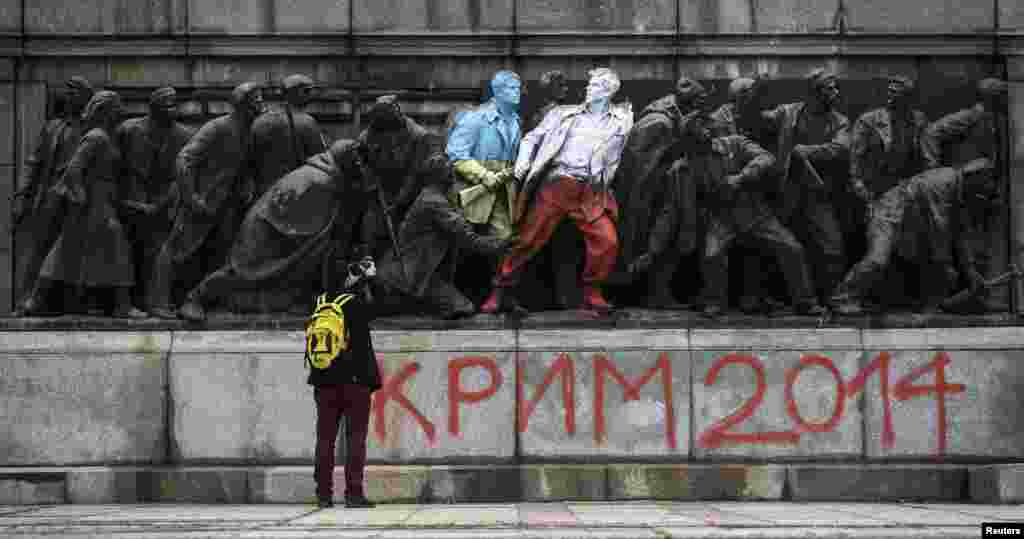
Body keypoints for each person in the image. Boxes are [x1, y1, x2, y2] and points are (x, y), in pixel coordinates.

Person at [481, 67, 633, 314]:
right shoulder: (563, 114)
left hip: (591, 191)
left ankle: (592, 293)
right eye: (589, 84)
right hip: (558, 185)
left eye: (594, 85)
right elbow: (532, 138)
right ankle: (500, 291)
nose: (587, 88)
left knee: (607, 240)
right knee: (528, 239)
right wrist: (523, 164)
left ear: (608, 91)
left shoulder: (622, 120)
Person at [177, 139, 371, 322]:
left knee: (305, 259)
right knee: (242, 271)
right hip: (268, 231)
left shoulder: (326, 174)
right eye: (357, 162)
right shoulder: (323, 181)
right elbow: (319, 229)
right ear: (345, 160)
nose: (360, 167)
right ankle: (196, 297)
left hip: (283, 230)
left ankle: (301, 298)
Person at [685, 112, 825, 318]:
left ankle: (806, 302)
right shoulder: (690, 163)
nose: (704, 130)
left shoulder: (734, 143)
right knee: (712, 254)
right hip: (722, 218)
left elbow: (766, 158)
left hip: (755, 213)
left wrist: (741, 177)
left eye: (704, 125)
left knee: (791, 247)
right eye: (696, 128)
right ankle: (715, 302)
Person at [21, 91, 146, 318]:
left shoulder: (106, 136)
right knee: (116, 248)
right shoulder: (97, 137)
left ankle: (36, 300)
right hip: (94, 204)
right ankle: (122, 305)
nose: (121, 111)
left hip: (102, 202)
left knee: (67, 251)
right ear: (106, 110)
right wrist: (81, 199)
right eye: (117, 107)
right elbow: (73, 170)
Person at [147, 82, 265, 318]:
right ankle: (157, 302)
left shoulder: (250, 130)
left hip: (226, 205)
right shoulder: (217, 127)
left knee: (222, 255)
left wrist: (245, 189)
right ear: (243, 104)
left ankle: (205, 302)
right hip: (201, 202)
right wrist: (192, 197)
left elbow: (243, 167)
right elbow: (184, 159)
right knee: (176, 250)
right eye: (257, 99)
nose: (262, 104)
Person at [831, 158, 998, 314]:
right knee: (877, 259)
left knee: (931, 265)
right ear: (974, 177)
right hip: (889, 214)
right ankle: (842, 297)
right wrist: (946, 266)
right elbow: (938, 227)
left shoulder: (959, 192)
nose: (984, 189)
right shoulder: (944, 180)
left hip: (910, 227)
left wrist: (971, 272)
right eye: (984, 182)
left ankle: (928, 305)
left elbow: (960, 235)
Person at [375, 155, 512, 319]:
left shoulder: (433, 197)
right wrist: (504, 243)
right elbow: (470, 240)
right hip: (411, 274)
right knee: (463, 308)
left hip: (415, 270)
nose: (453, 175)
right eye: (449, 171)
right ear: (441, 177)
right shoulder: (434, 202)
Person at [613, 75, 708, 308]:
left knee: (668, 243)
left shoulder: (676, 119)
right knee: (653, 246)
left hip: (668, 196)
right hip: (650, 198)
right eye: (697, 100)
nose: (700, 107)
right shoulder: (659, 122)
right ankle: (646, 292)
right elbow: (643, 167)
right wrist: (683, 138)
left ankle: (659, 292)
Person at [762, 68, 851, 304]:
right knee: (778, 244)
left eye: (836, 87)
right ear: (814, 92)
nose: (835, 92)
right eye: (829, 88)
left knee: (832, 246)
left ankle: (833, 297)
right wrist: (757, 93)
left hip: (816, 192)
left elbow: (841, 148)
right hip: (786, 190)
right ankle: (770, 296)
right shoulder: (789, 112)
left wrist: (808, 151)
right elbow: (761, 119)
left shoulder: (840, 121)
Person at [13, 76, 95, 315]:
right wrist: (21, 196)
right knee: (40, 249)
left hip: (80, 200)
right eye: (67, 91)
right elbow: (33, 163)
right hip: (50, 197)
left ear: (86, 98)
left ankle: (69, 302)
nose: (68, 96)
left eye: (74, 92)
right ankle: (26, 301)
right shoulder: (53, 128)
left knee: (76, 252)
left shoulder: (93, 129)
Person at [308, 255, 381, 510]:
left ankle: (324, 495)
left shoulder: (317, 303)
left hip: (323, 381)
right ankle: (353, 493)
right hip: (355, 382)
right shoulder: (354, 304)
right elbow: (379, 308)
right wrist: (370, 278)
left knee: (325, 438)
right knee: (355, 437)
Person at [116, 86, 194, 310]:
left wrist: (161, 204)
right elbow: (113, 168)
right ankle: (125, 303)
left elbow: (182, 174)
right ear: (153, 108)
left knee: (158, 253)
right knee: (126, 252)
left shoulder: (184, 136)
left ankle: (155, 302)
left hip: (164, 206)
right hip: (128, 204)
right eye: (168, 105)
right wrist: (126, 202)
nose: (174, 109)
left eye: (175, 104)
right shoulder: (128, 130)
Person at [249, 74, 327, 200]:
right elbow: (320, 161)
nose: (310, 96)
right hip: (294, 194)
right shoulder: (307, 122)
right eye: (306, 91)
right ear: (296, 93)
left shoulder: (260, 121)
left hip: (264, 194)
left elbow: (250, 159)